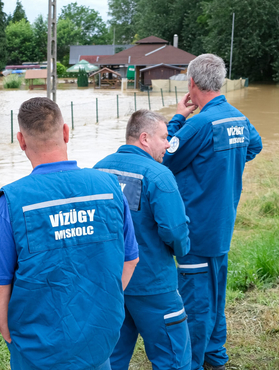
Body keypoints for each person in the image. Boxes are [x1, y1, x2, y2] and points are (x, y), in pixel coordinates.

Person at [0, 97, 140, 370]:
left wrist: (8, 333)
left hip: (36, 348)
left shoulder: (12, 201)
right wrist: (106, 304)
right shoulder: (108, 186)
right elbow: (131, 259)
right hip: (98, 339)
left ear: (21, 141)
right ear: (66, 132)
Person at [162, 54, 262, 370]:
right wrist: (223, 167)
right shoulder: (238, 118)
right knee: (216, 296)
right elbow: (254, 146)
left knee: (196, 303)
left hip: (197, 229)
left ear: (192, 84)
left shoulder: (200, 124)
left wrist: (178, 117)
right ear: (219, 81)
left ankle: (192, 362)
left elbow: (165, 158)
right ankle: (215, 356)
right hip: (222, 226)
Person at [94, 110, 192, 370]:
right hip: (153, 284)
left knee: (112, 357)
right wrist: (182, 251)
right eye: (164, 137)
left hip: (112, 283)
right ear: (145, 138)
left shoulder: (98, 170)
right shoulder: (158, 176)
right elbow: (175, 231)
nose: (169, 144)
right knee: (172, 357)